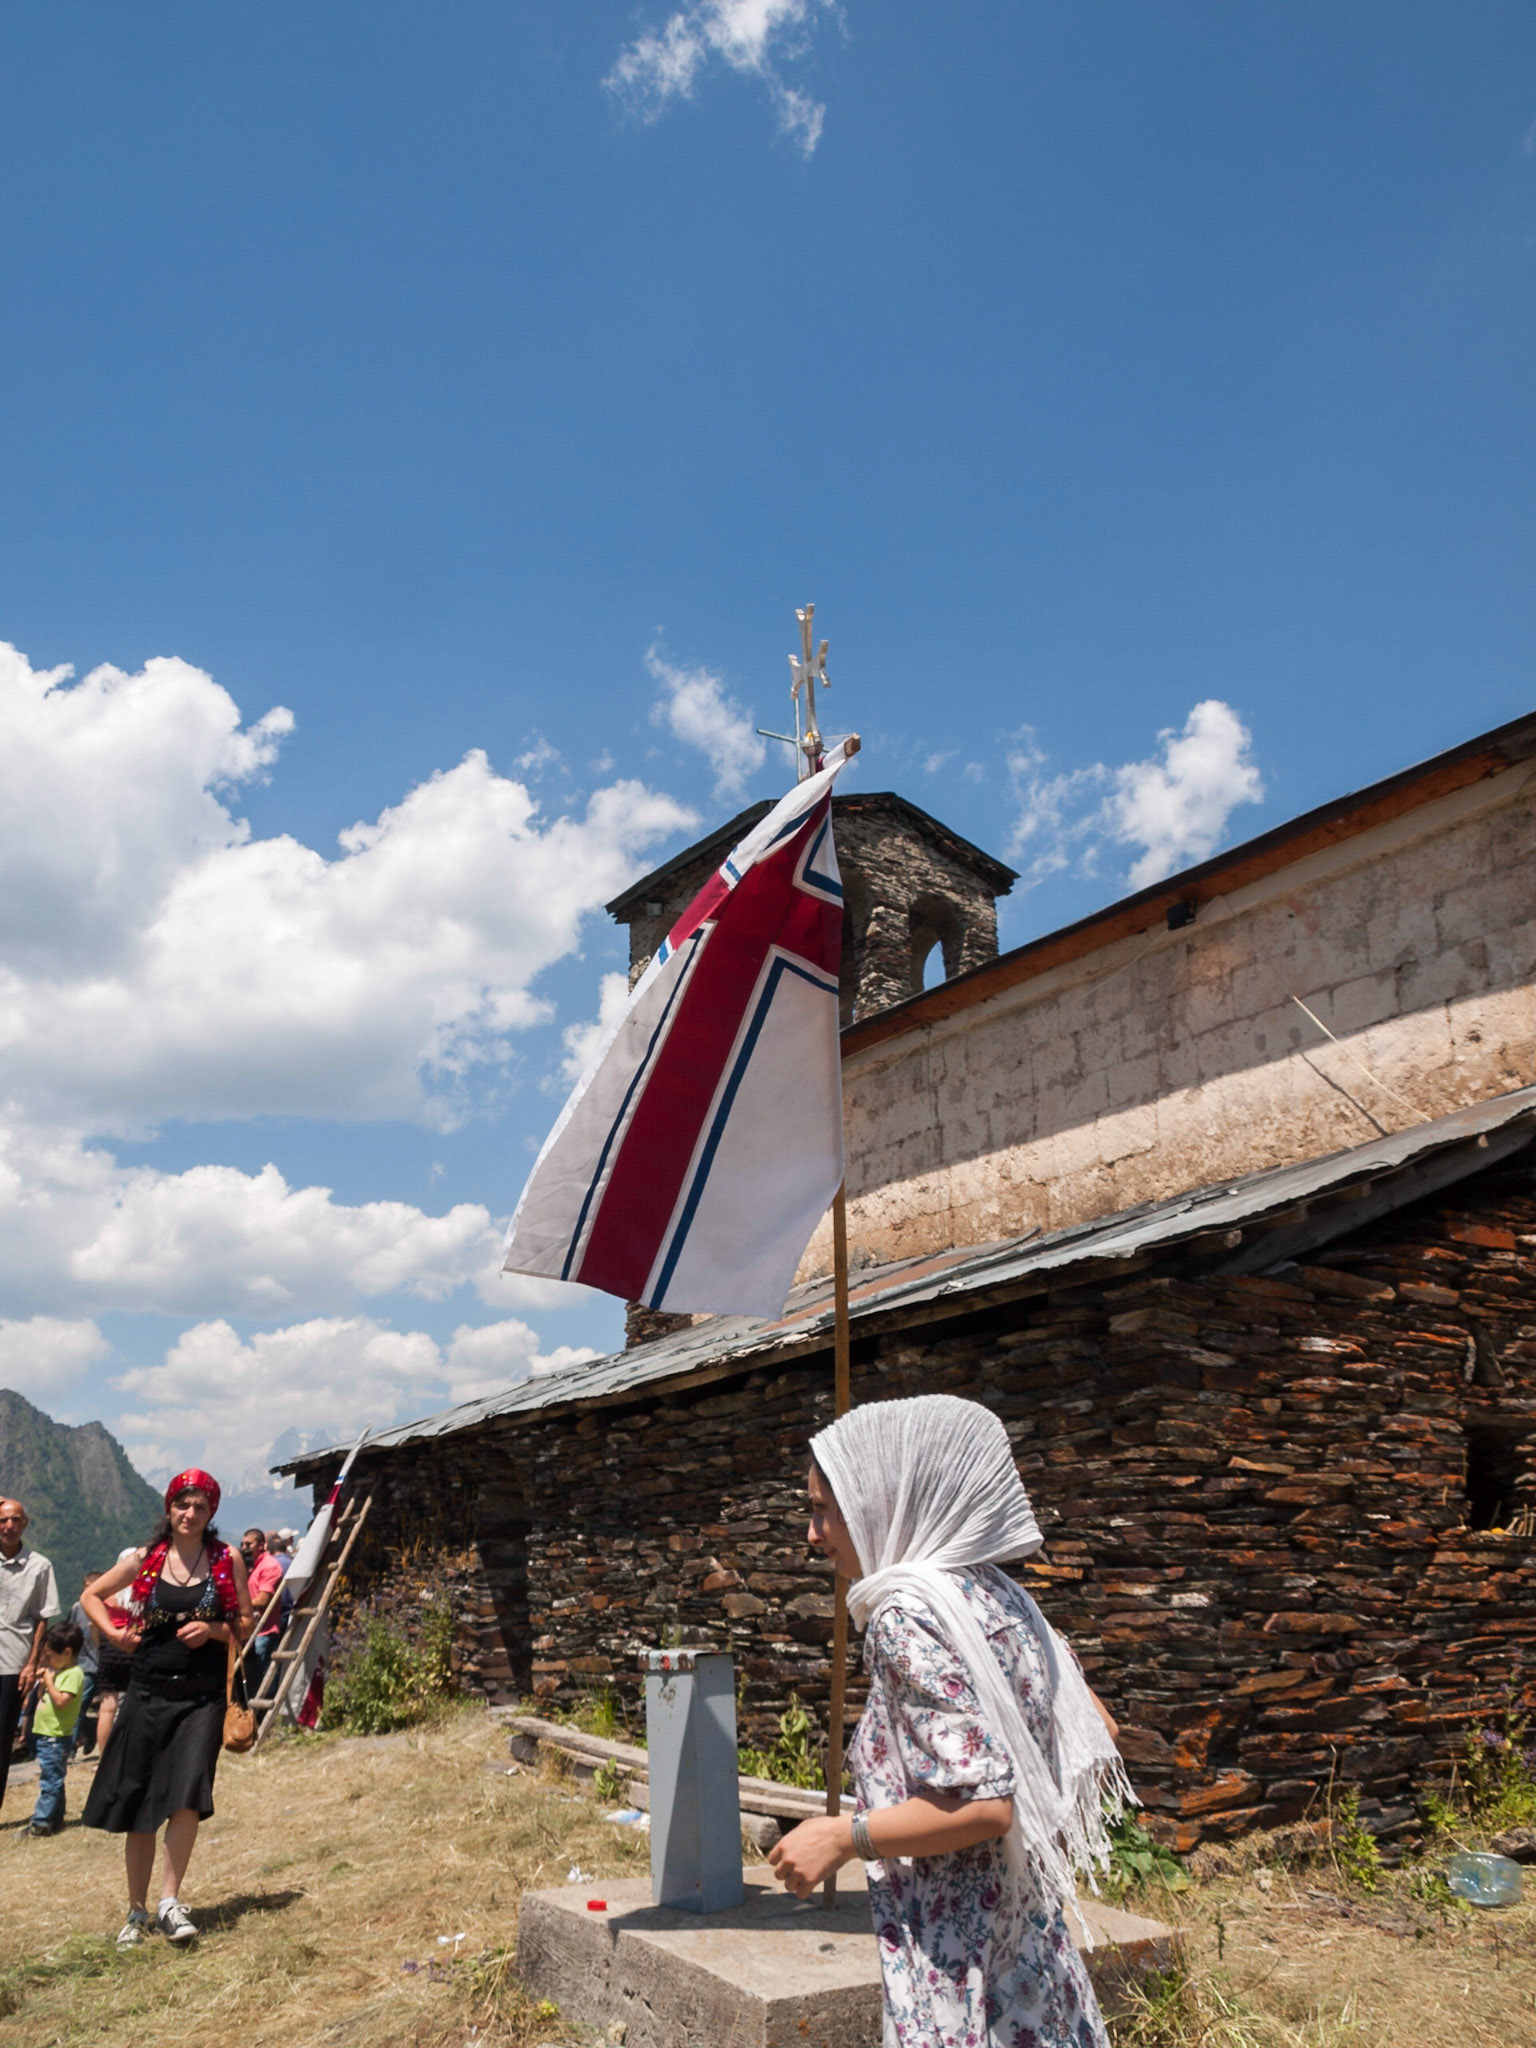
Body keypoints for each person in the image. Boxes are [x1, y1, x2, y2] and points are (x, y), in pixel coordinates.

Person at [768, 1395, 1132, 2048]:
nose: (812, 1535)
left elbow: (984, 1806)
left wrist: (843, 1838)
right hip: (1030, 1937)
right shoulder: (998, 1594)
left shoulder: (905, 1617)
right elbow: (1097, 1728)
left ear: (877, 1497)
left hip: (964, 1956)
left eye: (823, 1510)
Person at [81, 1470, 252, 1947]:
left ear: (211, 1512)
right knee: (138, 1796)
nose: (190, 1513)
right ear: (169, 1508)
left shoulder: (226, 1558)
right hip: (148, 1692)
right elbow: (91, 1596)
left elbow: (244, 1621)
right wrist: (114, 1634)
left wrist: (215, 1632)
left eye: (199, 1506)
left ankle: (169, 1902)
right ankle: (136, 1912)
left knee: (187, 1794)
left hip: (202, 1698)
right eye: (183, 1504)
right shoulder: (145, 1558)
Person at [0, 1498, 60, 1817]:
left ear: (25, 1524)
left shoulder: (39, 1566)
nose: (8, 1526)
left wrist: (32, 1664)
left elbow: (41, 1619)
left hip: (12, 1662)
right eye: (2, 1520)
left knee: (2, 1739)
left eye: (15, 1520)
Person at [28, 1621, 86, 1835]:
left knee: (49, 1781)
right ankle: (56, 1817)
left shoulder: (74, 1674)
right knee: (55, 1778)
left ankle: (41, 1822)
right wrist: (43, 1682)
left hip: (56, 1737)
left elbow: (62, 1702)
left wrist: (50, 1683)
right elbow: (44, 1698)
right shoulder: (58, 1672)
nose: (47, 1660)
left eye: (50, 1655)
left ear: (67, 1652)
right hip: (46, 1735)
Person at [92, 1548, 144, 1758]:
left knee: (107, 1707)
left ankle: (104, 1756)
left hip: (110, 1648)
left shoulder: (108, 1594)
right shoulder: (140, 1593)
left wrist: (102, 1644)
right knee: (135, 1704)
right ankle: (131, 1753)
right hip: (132, 1647)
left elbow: (94, 1624)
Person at [243, 1529, 287, 1692]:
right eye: (243, 1543)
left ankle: (264, 1714)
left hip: (265, 1630)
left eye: (249, 1544)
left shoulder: (269, 1566)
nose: (244, 1547)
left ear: (261, 1545)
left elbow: (263, 1600)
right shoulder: (254, 1565)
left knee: (263, 1678)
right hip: (253, 1628)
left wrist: (239, 1605)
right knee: (253, 1676)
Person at [68, 1574, 103, 1756]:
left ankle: (71, 1747)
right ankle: (85, 1732)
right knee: (76, 1706)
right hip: (81, 1664)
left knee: (79, 1707)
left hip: (99, 1663)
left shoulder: (107, 1606)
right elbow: (69, 1633)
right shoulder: (77, 1607)